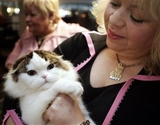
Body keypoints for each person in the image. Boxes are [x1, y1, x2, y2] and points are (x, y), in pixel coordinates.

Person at [2, 0, 160, 125]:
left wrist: (77, 123)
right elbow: (14, 90)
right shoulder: (81, 44)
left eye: (136, 17)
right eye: (115, 3)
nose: (114, 19)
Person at [5, 0, 89, 70]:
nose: (27, 19)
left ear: (51, 15)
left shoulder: (72, 33)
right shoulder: (27, 33)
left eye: (32, 15)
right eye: (26, 14)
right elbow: (12, 60)